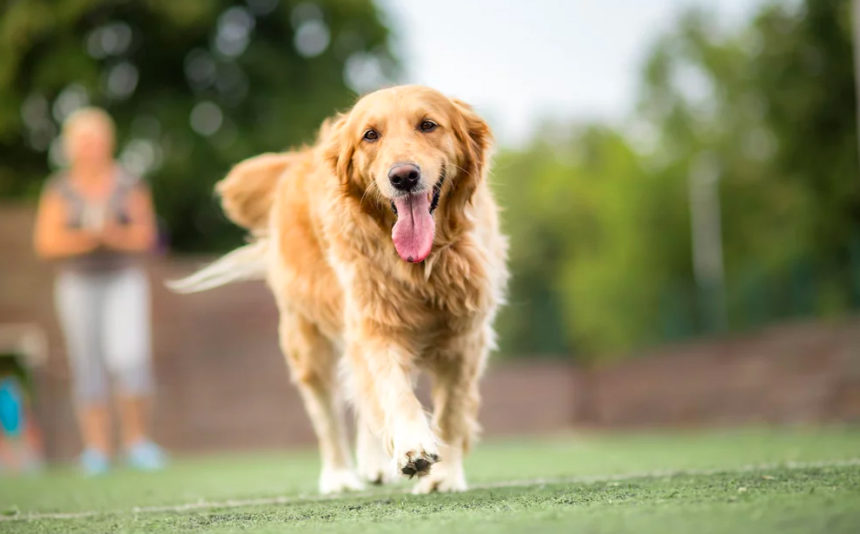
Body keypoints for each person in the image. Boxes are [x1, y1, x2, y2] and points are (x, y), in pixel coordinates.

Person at [33, 107, 165, 475]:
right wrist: (88, 240)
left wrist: (113, 236)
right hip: (77, 284)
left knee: (131, 358)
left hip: (124, 280)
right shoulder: (59, 188)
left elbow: (146, 237)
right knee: (86, 364)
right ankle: (97, 450)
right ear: (71, 146)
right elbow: (47, 243)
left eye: (96, 139)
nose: (90, 147)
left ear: (108, 142)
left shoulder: (128, 183)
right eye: (83, 140)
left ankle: (138, 443)